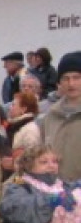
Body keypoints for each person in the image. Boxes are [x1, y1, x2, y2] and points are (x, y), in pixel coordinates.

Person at [39, 51, 81, 183]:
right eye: (65, 78)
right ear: (59, 82)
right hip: (56, 190)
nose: (71, 83)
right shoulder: (50, 116)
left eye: (76, 77)